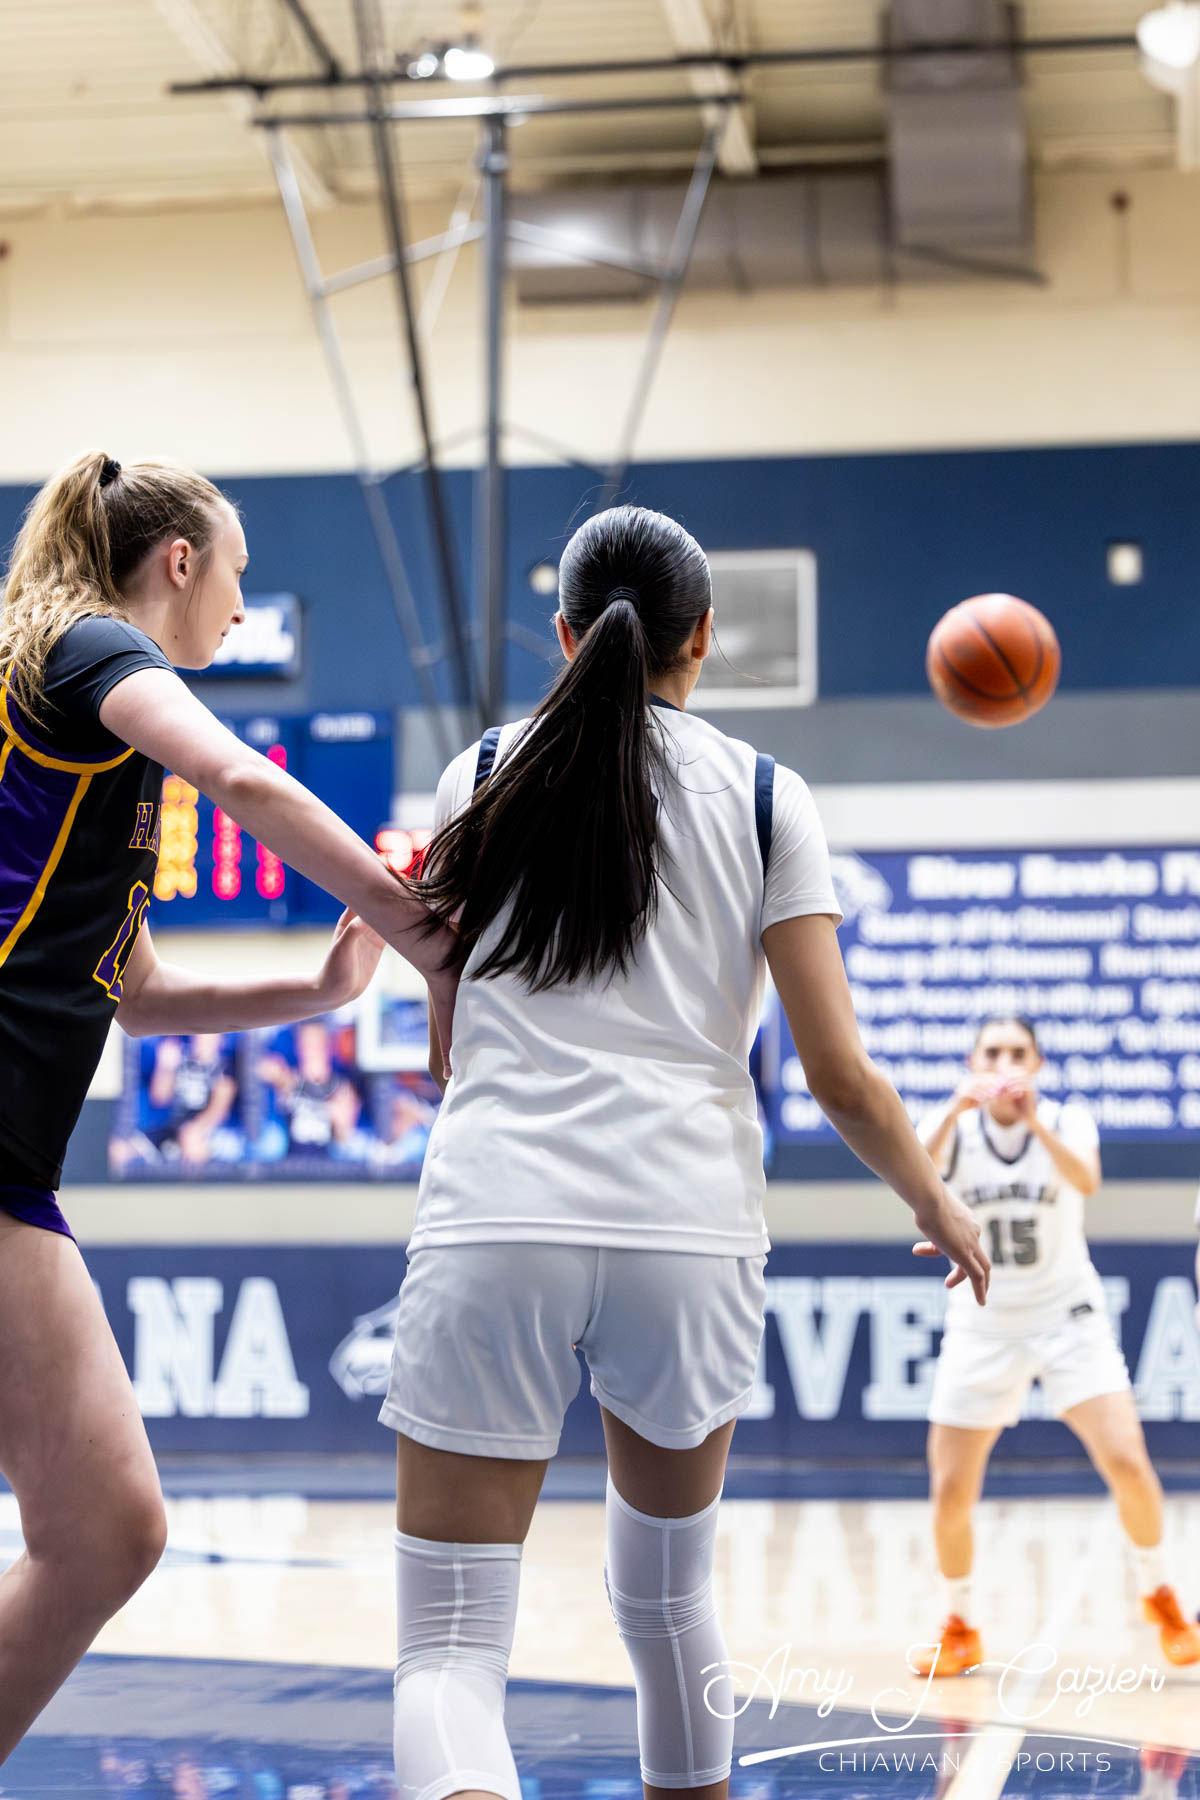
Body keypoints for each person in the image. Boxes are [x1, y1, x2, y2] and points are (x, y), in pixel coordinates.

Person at [379, 504, 990, 1800]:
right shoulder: (768, 797)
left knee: (448, 1647)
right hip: (689, 1225)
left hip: (501, 1210)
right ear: (702, 636)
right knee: (667, 1602)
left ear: (563, 637)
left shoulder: (477, 772)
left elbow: (447, 1043)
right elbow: (838, 1077)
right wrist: (936, 1202)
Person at [0, 449, 459, 1762]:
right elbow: (250, 784)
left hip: (14, 1162)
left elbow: (139, 996)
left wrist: (323, 985)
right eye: (238, 574)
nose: (244, 609)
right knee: (104, 1530)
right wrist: (423, 936)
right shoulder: (92, 649)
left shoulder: (97, 743)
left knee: (103, 1531)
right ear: (179, 562)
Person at [912, 1016, 1200, 1678]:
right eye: (992, 1052)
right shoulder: (953, 1126)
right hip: (982, 1320)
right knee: (951, 1486)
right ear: (973, 1062)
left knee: (1127, 1459)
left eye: (1018, 1052)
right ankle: (959, 1623)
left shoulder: (1067, 1120)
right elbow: (915, 1173)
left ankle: (1160, 1592)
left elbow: (1087, 1180)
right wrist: (955, 1109)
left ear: (1037, 1063)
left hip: (1067, 1315)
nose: (1005, 1063)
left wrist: (1034, 1122)